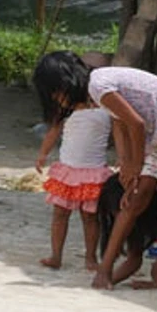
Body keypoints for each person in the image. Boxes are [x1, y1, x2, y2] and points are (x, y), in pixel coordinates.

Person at [29, 51, 157, 291]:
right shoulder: (95, 92)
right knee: (134, 199)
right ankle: (105, 272)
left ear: (64, 84)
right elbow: (122, 121)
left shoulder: (99, 86)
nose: (56, 100)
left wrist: (134, 167)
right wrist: (128, 164)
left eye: (54, 94)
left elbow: (136, 124)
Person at [34, 105, 113, 271]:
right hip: (67, 171)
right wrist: (43, 154)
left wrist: (124, 157)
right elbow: (54, 131)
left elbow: (120, 134)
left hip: (94, 172)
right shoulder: (65, 110)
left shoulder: (107, 109)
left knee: (90, 217)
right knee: (60, 214)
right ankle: (56, 256)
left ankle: (90, 258)